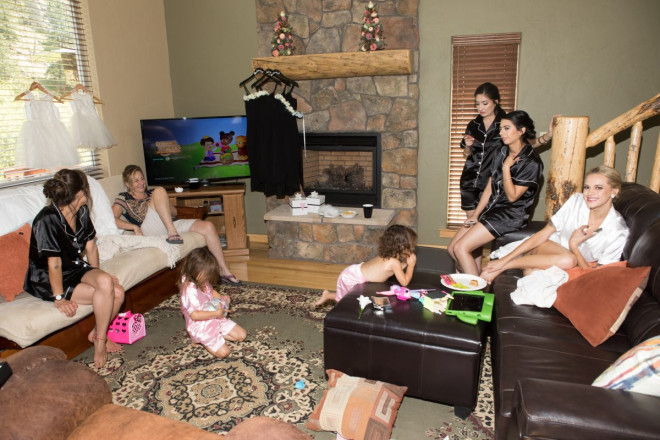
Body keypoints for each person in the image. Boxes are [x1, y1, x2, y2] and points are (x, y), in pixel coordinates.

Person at [23, 169, 125, 368]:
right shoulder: (47, 219)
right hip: (48, 277)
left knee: (116, 291)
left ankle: (97, 333)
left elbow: (91, 247)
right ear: (80, 193)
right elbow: (54, 263)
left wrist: (99, 276)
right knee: (116, 293)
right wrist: (59, 298)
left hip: (73, 267)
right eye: (87, 189)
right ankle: (100, 342)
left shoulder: (82, 211)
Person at [459, 83, 556, 272]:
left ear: (495, 102)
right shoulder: (474, 124)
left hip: (494, 183)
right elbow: (468, 154)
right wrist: (467, 145)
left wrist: (548, 136)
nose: (480, 108)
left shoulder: (505, 124)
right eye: (477, 104)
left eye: (484, 103)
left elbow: (525, 144)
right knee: (468, 239)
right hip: (471, 182)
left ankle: (475, 279)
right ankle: (472, 273)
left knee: (471, 241)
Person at [481, 166, 629, 283]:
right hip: (546, 248)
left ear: (614, 191)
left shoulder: (618, 231)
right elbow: (543, 234)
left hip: (568, 264)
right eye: (586, 187)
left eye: (598, 188)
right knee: (568, 259)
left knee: (531, 274)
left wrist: (574, 246)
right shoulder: (576, 201)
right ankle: (505, 266)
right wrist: (503, 261)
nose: (590, 193)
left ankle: (521, 265)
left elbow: (597, 277)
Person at [448, 110, 544, 277]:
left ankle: (475, 294)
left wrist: (506, 168)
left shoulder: (532, 162)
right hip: (491, 210)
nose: (501, 133)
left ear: (521, 131)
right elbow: (491, 186)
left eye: (507, 128)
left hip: (510, 214)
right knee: (452, 249)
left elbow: (513, 196)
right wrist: (476, 214)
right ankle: (472, 281)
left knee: (460, 248)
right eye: (500, 128)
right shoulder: (502, 152)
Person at [112, 164, 241, 285]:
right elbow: (113, 219)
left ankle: (223, 270)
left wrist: (162, 203)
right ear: (127, 184)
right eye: (136, 181)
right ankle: (172, 233)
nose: (141, 183)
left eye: (142, 179)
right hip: (149, 228)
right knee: (160, 190)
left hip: (170, 223)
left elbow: (174, 212)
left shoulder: (152, 194)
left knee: (208, 226)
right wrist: (134, 227)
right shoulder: (124, 197)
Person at [315, 224, 418, 306]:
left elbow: (398, 268)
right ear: (402, 246)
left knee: (344, 296)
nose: (412, 248)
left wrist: (405, 263)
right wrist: (411, 265)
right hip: (352, 277)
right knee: (345, 300)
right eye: (411, 245)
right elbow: (404, 282)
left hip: (353, 271)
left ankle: (327, 294)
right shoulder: (394, 262)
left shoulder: (388, 257)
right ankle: (328, 296)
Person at [179, 247, 247, 359]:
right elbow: (195, 315)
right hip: (200, 325)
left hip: (213, 315)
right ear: (195, 270)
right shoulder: (189, 290)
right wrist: (217, 313)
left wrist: (221, 297)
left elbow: (210, 291)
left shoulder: (200, 278)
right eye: (207, 274)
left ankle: (216, 335)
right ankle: (201, 339)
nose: (208, 278)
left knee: (241, 335)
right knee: (224, 353)